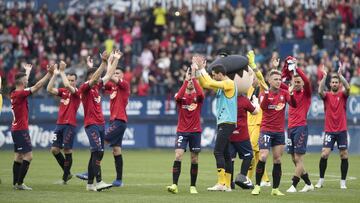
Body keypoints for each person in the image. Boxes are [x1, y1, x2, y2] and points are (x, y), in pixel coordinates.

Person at [193, 55, 237, 192]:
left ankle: (221, 183)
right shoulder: (222, 86)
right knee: (226, 154)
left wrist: (201, 69)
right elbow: (203, 83)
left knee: (217, 151)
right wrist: (200, 71)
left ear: (220, 74)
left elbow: (207, 83)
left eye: (214, 75)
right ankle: (228, 185)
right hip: (225, 122)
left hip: (227, 122)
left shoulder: (229, 83)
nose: (213, 77)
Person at [79, 50, 121, 192]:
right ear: (89, 77)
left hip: (101, 124)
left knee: (96, 153)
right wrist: (103, 62)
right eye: (94, 76)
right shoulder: (84, 88)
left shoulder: (97, 87)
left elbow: (109, 75)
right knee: (98, 151)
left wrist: (115, 59)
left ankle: (90, 184)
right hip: (91, 124)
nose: (97, 78)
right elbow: (96, 76)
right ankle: (99, 181)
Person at [251, 69, 297, 196]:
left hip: (279, 132)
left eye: (279, 79)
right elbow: (263, 107)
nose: (278, 82)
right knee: (263, 156)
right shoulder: (263, 93)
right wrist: (266, 93)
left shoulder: (285, 93)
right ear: (269, 81)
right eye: (275, 79)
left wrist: (292, 93)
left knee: (277, 160)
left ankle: (275, 189)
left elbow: (294, 104)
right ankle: (257, 186)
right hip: (266, 130)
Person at [11, 63, 55, 190]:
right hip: (20, 129)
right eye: (26, 80)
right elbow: (37, 86)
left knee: (19, 156)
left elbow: (25, 84)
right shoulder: (20, 94)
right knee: (28, 156)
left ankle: (16, 183)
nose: (27, 82)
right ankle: (19, 184)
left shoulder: (16, 92)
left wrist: (27, 71)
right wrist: (49, 74)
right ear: (22, 82)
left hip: (16, 129)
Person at [166, 65, 204, 194]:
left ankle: (193, 186)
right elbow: (177, 98)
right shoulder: (180, 95)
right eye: (188, 81)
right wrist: (186, 80)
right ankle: (174, 185)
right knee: (178, 155)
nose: (190, 83)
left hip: (195, 131)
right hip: (182, 130)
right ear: (184, 82)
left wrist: (193, 78)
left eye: (192, 82)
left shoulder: (197, 96)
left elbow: (201, 94)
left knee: (194, 159)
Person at [279, 58, 314, 193]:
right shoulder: (289, 90)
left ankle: (294, 185)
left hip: (301, 127)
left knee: (298, 158)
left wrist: (296, 68)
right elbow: (279, 82)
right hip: (291, 128)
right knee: (294, 158)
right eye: (296, 81)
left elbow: (307, 81)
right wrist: (284, 69)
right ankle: (309, 183)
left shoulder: (306, 94)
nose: (298, 83)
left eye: (299, 82)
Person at [315, 63, 350, 189]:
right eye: (333, 82)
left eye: (336, 82)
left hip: (341, 130)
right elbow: (319, 91)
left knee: (344, 155)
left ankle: (343, 182)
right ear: (330, 84)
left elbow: (348, 87)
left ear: (339, 84)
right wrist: (324, 77)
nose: (335, 84)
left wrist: (341, 76)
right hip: (329, 130)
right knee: (324, 154)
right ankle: (321, 180)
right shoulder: (327, 96)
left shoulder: (343, 95)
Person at [229, 51, 260, 190]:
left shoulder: (227, 97)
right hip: (242, 134)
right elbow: (255, 111)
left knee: (230, 158)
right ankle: (242, 176)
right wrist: (256, 101)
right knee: (248, 156)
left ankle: (228, 182)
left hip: (229, 133)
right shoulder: (243, 100)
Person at [47, 61, 81, 184]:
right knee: (54, 150)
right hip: (59, 124)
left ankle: (65, 177)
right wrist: (55, 74)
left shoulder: (77, 93)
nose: (71, 82)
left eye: (73, 80)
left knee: (67, 151)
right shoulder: (64, 92)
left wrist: (62, 71)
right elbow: (49, 89)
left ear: (76, 82)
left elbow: (67, 85)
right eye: (69, 80)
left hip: (69, 125)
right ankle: (67, 173)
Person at [104, 60, 132, 188]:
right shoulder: (112, 87)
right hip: (114, 121)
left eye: (117, 73)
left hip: (120, 121)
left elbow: (109, 75)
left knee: (100, 142)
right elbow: (105, 79)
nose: (115, 74)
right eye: (114, 73)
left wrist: (111, 61)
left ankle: (91, 172)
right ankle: (119, 180)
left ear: (122, 75)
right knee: (116, 150)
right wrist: (106, 63)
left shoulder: (125, 85)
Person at [246, 52, 271, 187]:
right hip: (249, 125)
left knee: (253, 151)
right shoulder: (249, 88)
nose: (252, 79)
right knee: (255, 154)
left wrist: (254, 65)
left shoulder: (262, 88)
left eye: (254, 77)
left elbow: (260, 77)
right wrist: (248, 67)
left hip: (258, 124)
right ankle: (264, 179)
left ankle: (253, 178)